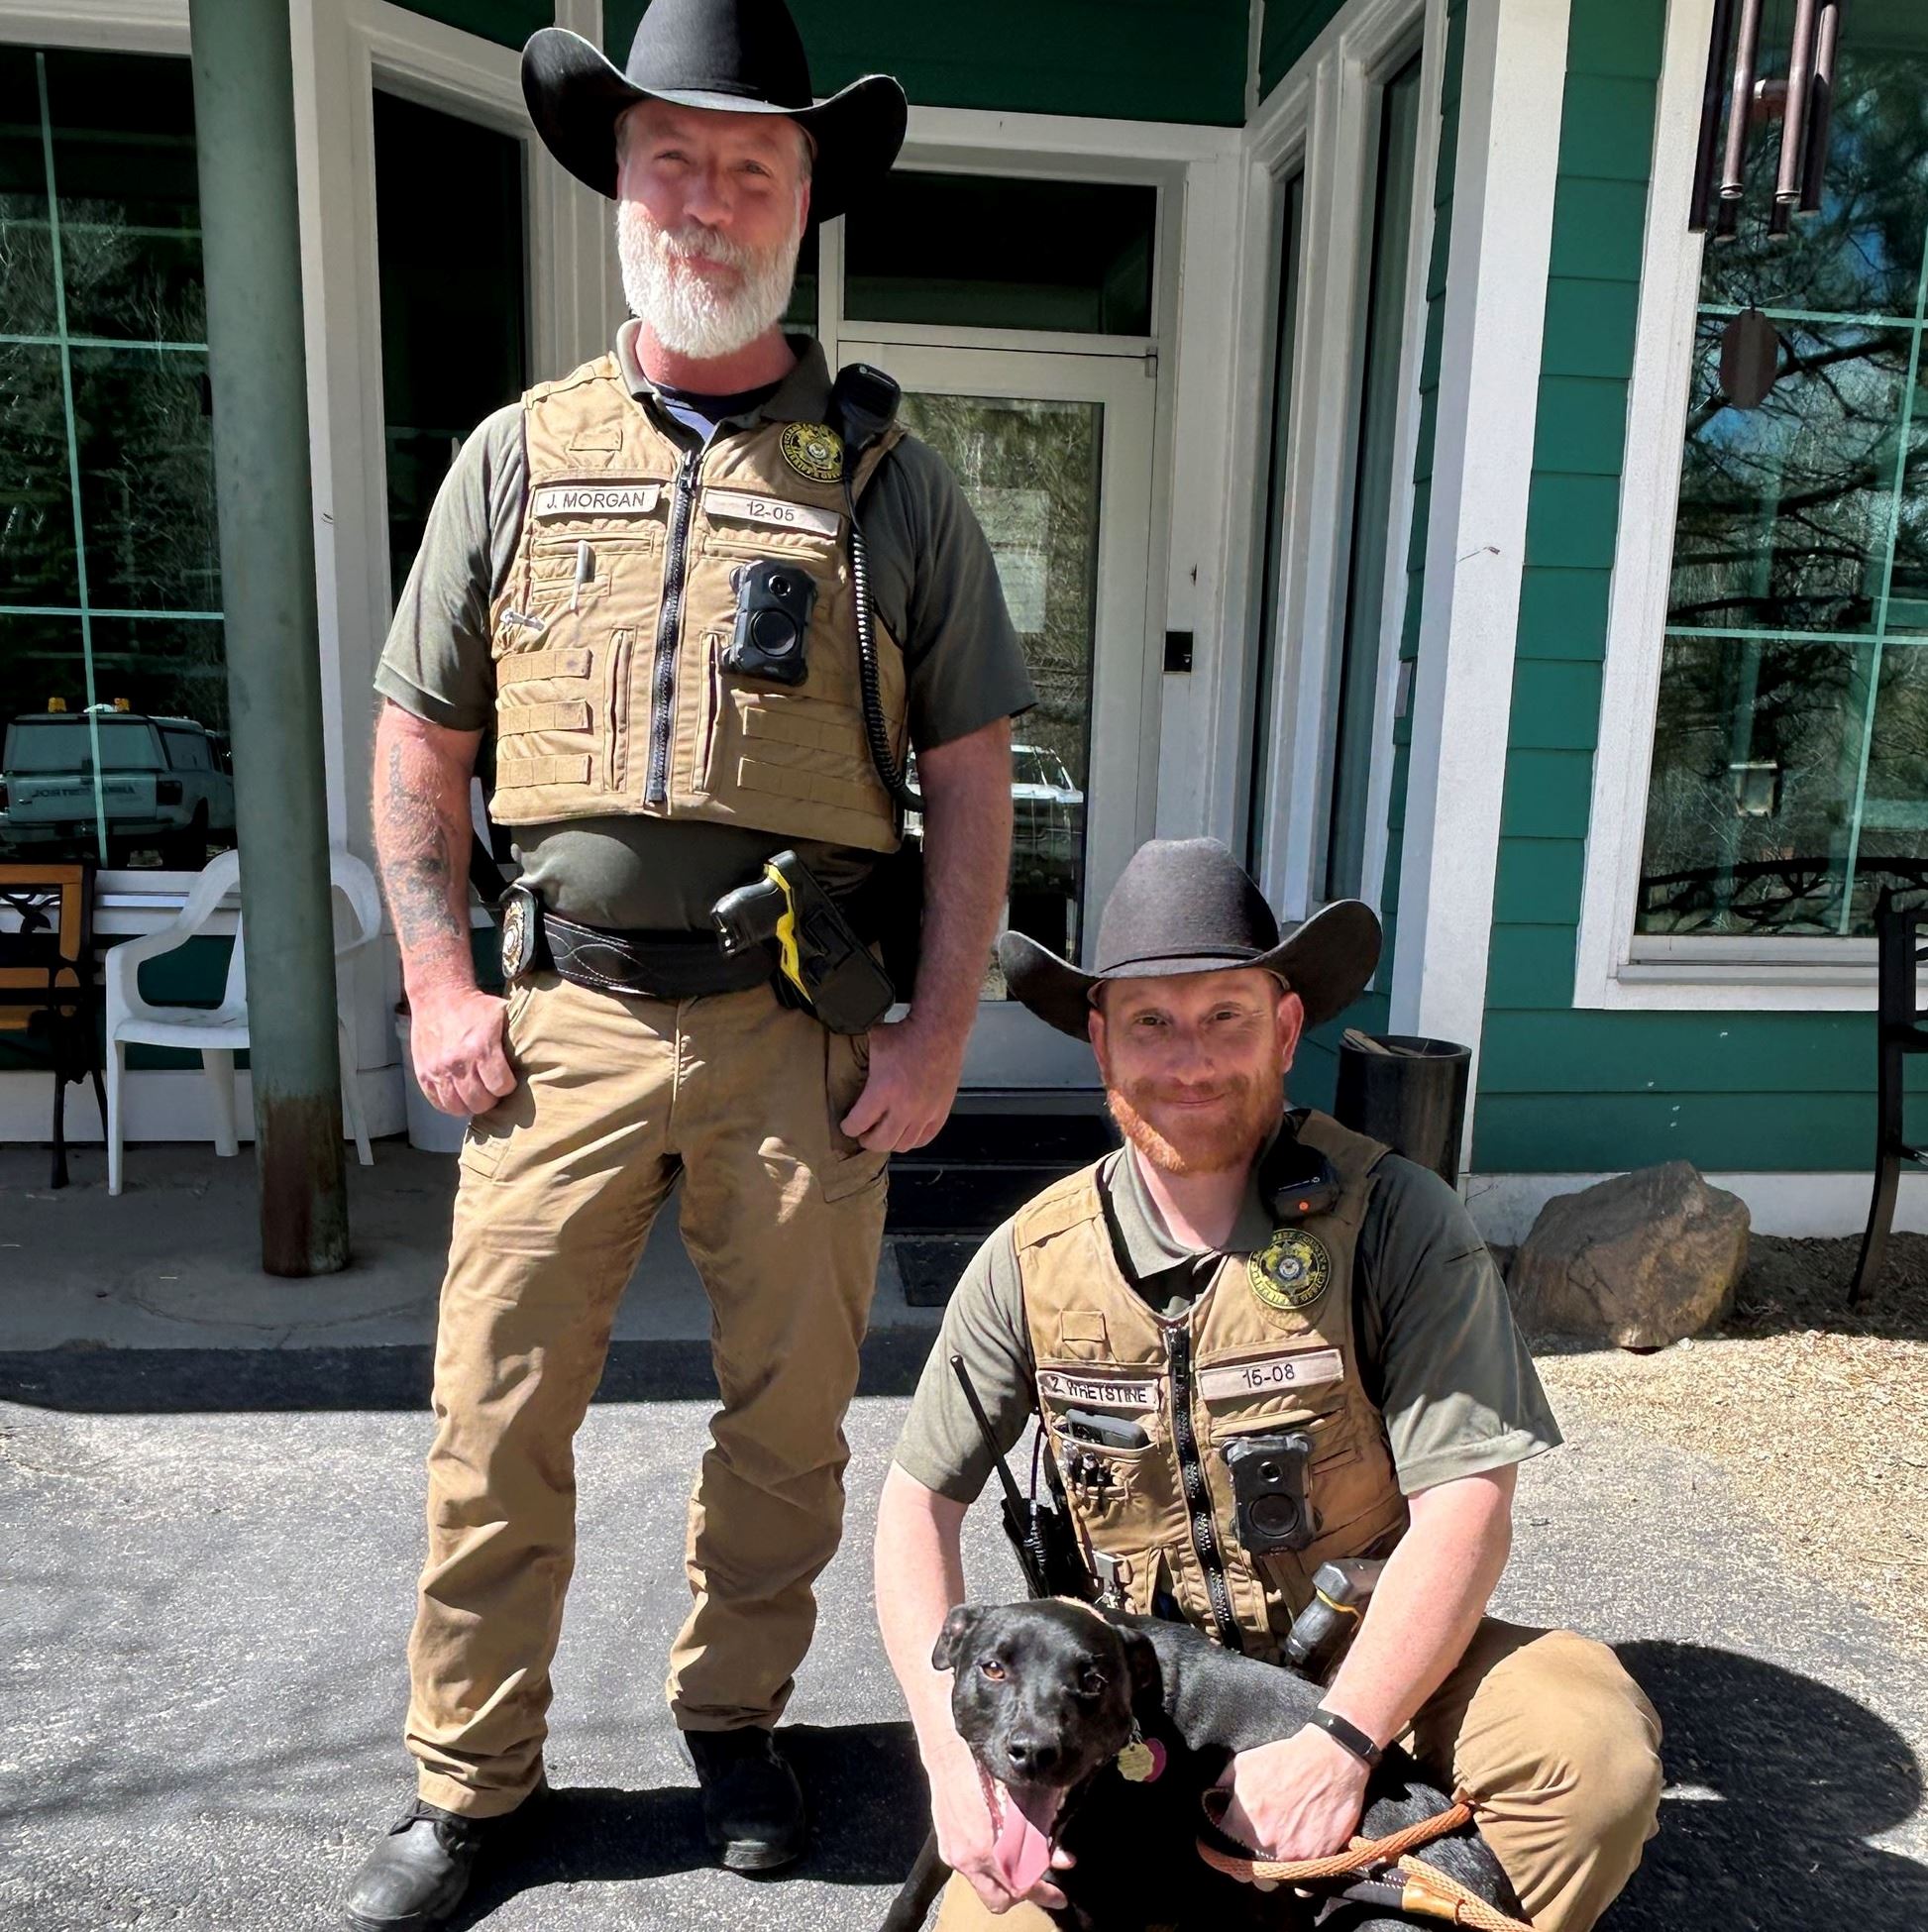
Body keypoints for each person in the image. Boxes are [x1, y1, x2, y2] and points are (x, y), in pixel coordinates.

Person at [345, 0, 1035, 1923]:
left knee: (792, 1426)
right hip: (552, 1022)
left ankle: (736, 1722)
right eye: (676, 155)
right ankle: (471, 1788)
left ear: (804, 196)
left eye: (753, 161)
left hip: (797, 1039)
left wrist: (942, 1027)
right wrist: (431, 981)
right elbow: (421, 740)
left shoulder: (892, 481)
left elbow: (969, 777)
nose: (711, 192)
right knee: (494, 1422)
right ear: (617, 177)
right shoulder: (513, 458)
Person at [875, 838, 1663, 1932]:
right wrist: (945, 1748)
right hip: (1129, 1692)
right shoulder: (1031, 1258)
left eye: (1225, 1017)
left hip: (1375, 1656)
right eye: (1149, 1020)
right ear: (1099, 1040)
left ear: (1285, 1029)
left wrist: (1341, 1743)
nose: (1187, 1058)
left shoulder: (1396, 1220)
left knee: (1588, 1761)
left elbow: (1465, 1509)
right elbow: (918, 1503)